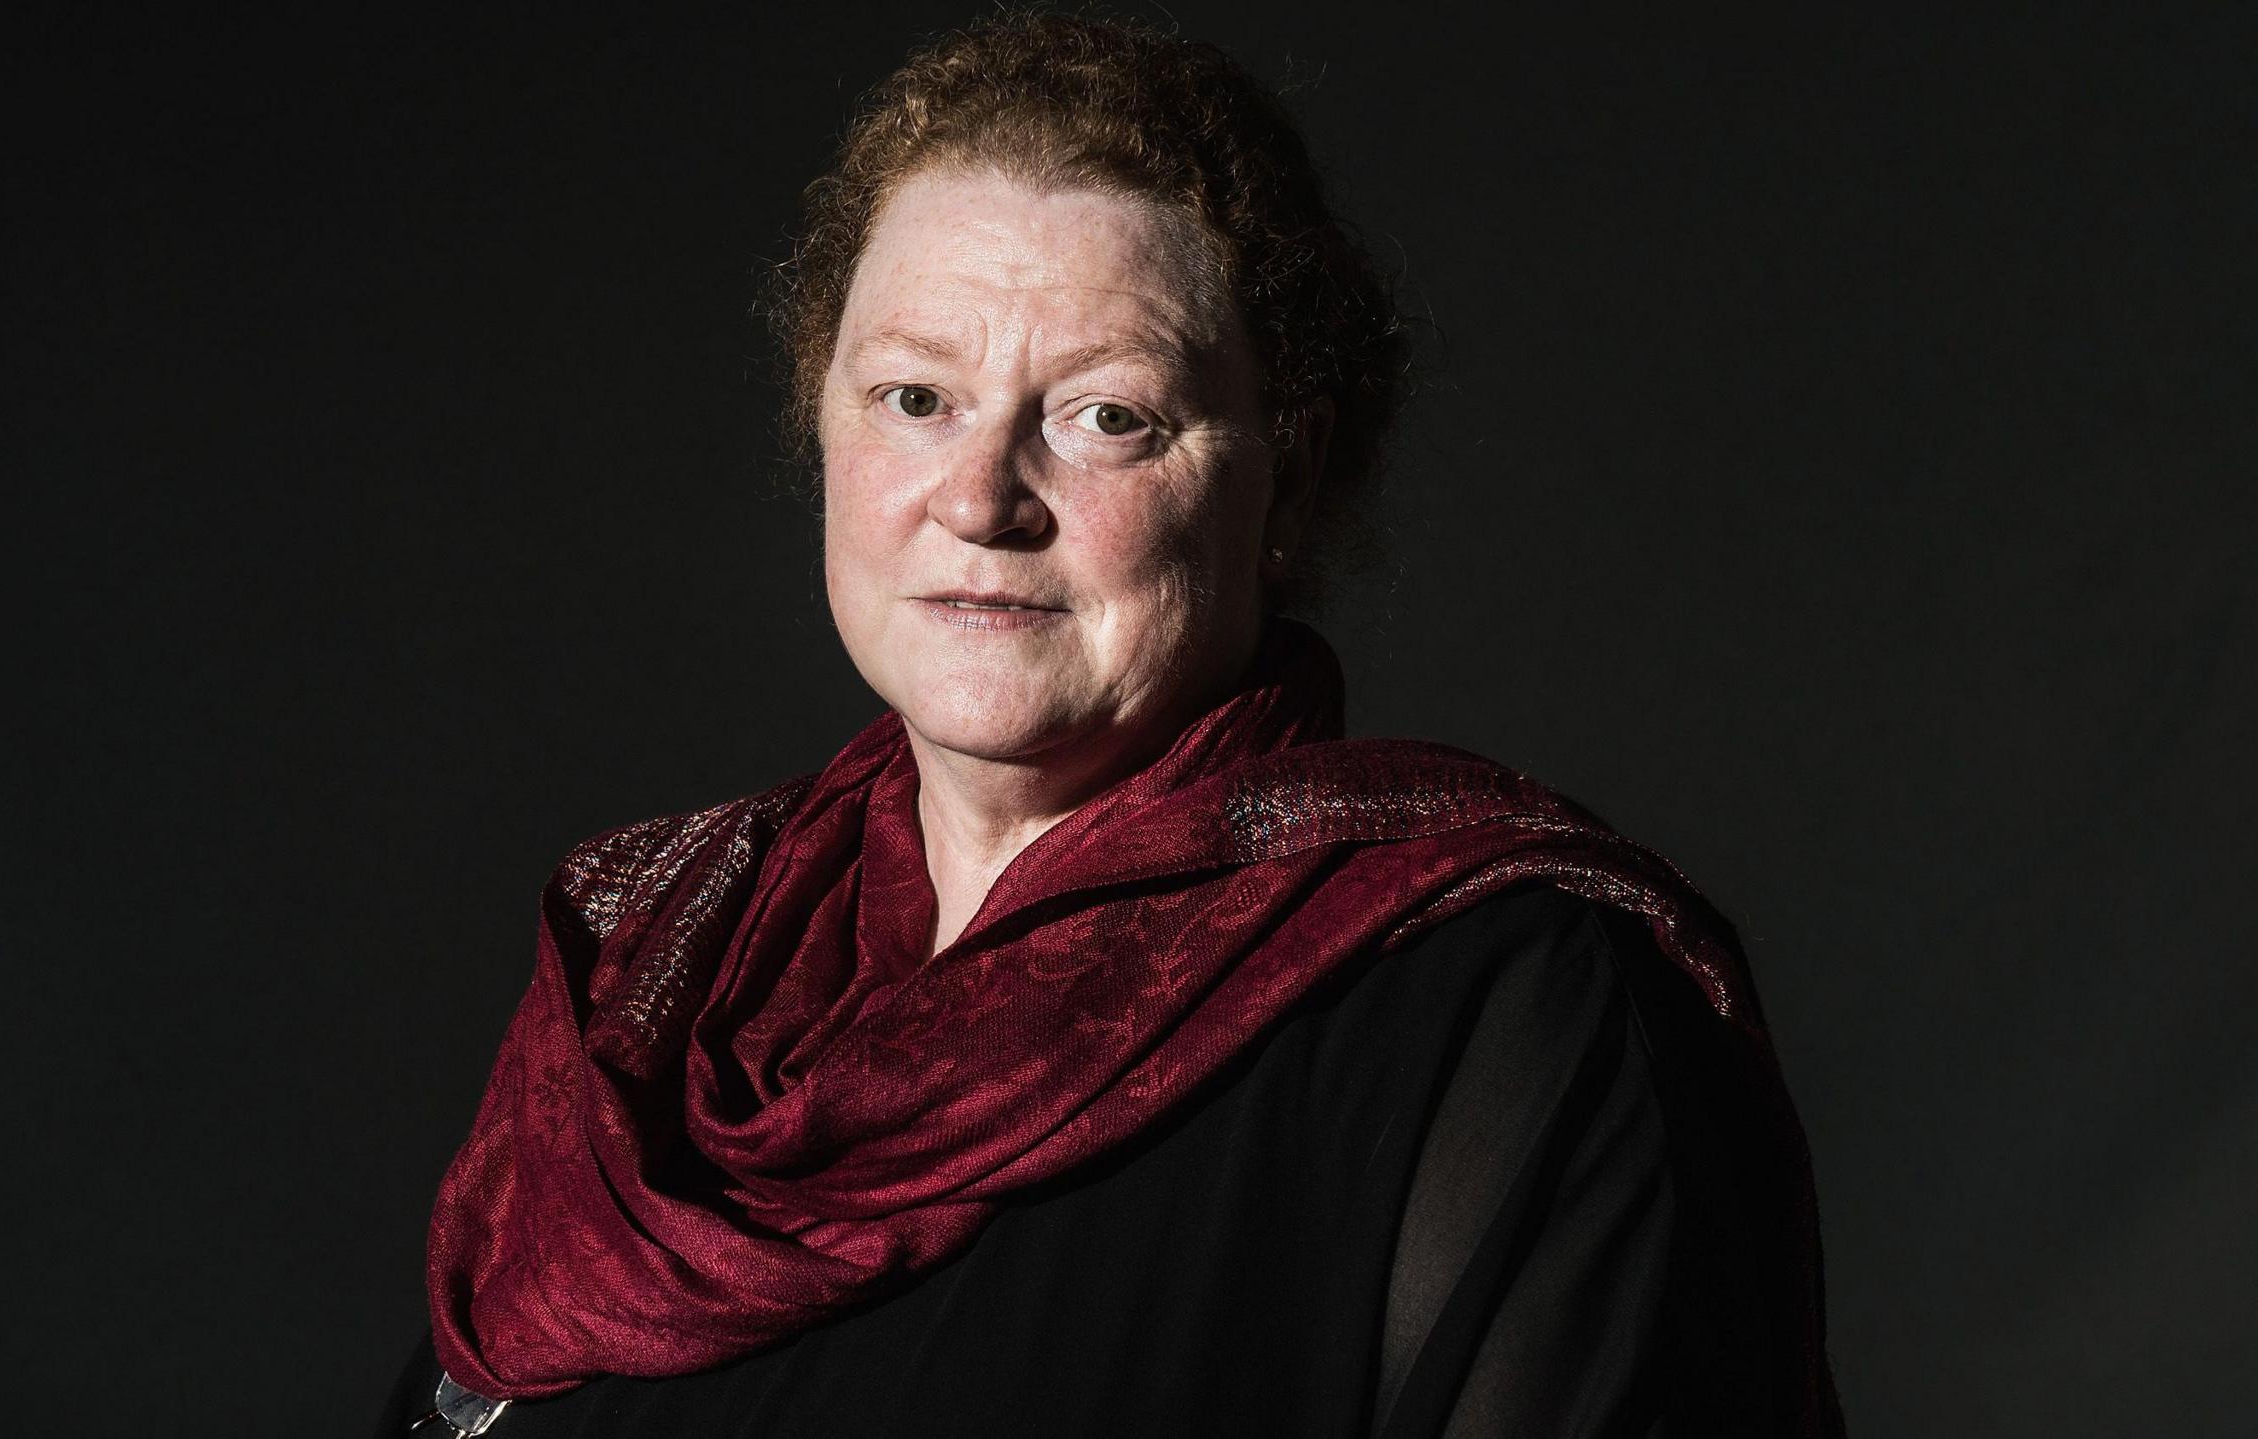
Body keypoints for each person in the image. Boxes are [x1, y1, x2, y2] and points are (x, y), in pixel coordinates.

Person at [380, 11, 1842, 1436]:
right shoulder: (651, 978)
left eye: (1108, 417)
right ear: (818, 415)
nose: (980, 499)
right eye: (914, 396)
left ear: (1289, 468)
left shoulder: (1503, 1005)